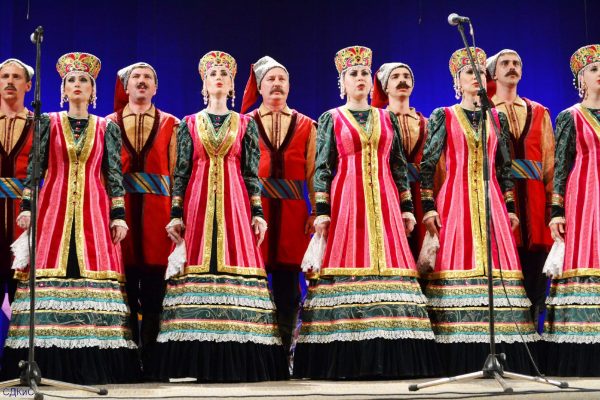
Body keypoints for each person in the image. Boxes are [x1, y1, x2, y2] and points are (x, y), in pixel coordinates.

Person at [293, 45, 441, 380]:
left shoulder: (386, 118)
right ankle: (346, 356)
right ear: (342, 82)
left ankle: (393, 356)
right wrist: (321, 210)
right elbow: (322, 167)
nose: (359, 78)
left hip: (385, 201)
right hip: (348, 200)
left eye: (363, 73)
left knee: (391, 263)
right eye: (353, 74)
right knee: (347, 263)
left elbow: (398, 165)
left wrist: (407, 207)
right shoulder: (332, 118)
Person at [1, 52, 140, 384]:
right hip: (54, 210)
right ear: (63, 90)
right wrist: (27, 207)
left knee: (90, 272)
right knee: (51, 273)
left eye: (84, 81)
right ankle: (46, 365)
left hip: (94, 209)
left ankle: (95, 364)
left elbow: (113, 174)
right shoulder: (47, 122)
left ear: (93, 91)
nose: (77, 85)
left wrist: (118, 215)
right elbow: (35, 168)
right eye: (71, 80)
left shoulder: (107, 127)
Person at [155, 51, 287, 382]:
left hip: (235, 204)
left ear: (231, 85)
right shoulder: (188, 124)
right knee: (196, 266)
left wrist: (257, 212)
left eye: (224, 75)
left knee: (235, 263)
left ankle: (240, 359)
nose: (218, 78)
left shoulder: (245, 124)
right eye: (212, 74)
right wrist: (175, 214)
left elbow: (251, 172)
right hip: (198, 203)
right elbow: (181, 172)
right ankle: (192, 361)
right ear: (204, 84)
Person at [420, 47, 539, 375]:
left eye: (480, 73)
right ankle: (457, 354)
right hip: (455, 200)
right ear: (457, 81)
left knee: (496, 273)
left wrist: (510, 207)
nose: (476, 78)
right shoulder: (444, 115)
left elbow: (503, 168)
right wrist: (428, 207)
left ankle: (502, 352)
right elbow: (428, 164)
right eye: (469, 73)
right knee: (458, 266)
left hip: (492, 204)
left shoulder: (496, 117)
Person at [240, 56, 316, 358]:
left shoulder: (307, 125)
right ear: (260, 87)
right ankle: (256, 353)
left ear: (289, 86)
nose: (277, 84)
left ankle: (284, 352)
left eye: (282, 79)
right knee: (253, 284)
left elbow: (313, 172)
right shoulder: (244, 124)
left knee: (288, 286)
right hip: (254, 213)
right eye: (270, 79)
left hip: (293, 213)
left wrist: (317, 210)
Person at [106, 62, 179, 368]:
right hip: (118, 215)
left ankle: (152, 361)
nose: (141, 81)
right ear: (126, 86)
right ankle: (123, 361)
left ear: (156, 87)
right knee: (121, 288)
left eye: (148, 77)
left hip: (157, 216)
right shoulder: (108, 124)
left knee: (154, 290)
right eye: (136, 76)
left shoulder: (172, 124)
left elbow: (178, 174)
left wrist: (177, 213)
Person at [543, 44, 600, 376]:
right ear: (581, 78)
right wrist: (556, 210)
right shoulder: (570, 116)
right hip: (585, 197)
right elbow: (561, 166)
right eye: (594, 68)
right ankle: (581, 348)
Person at [486, 50, 555, 326]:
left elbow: (550, 164)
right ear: (493, 73)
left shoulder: (538, 112)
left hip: (535, 204)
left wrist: (554, 208)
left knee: (537, 272)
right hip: (499, 199)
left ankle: (534, 332)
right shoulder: (484, 111)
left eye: (516, 63)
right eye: (505, 63)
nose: (511, 67)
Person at [372, 62, 445, 260]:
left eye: (406, 76)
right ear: (385, 87)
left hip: (422, 196)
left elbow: (439, 168)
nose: (402, 80)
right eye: (395, 77)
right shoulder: (377, 124)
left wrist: (438, 205)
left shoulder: (428, 124)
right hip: (389, 196)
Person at [0, 59, 34, 303]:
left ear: (28, 85)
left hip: (25, 219)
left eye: (16, 77)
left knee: (22, 296)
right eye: (5, 76)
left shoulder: (41, 124)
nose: (10, 81)